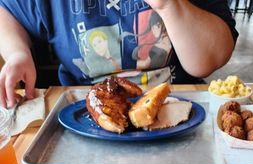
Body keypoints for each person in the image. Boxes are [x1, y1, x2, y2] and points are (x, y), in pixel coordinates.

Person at [0, 0, 238, 108]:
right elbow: (6, 10)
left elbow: (210, 60)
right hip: (84, 109)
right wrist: (16, 52)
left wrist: (169, 4)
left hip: (179, 106)